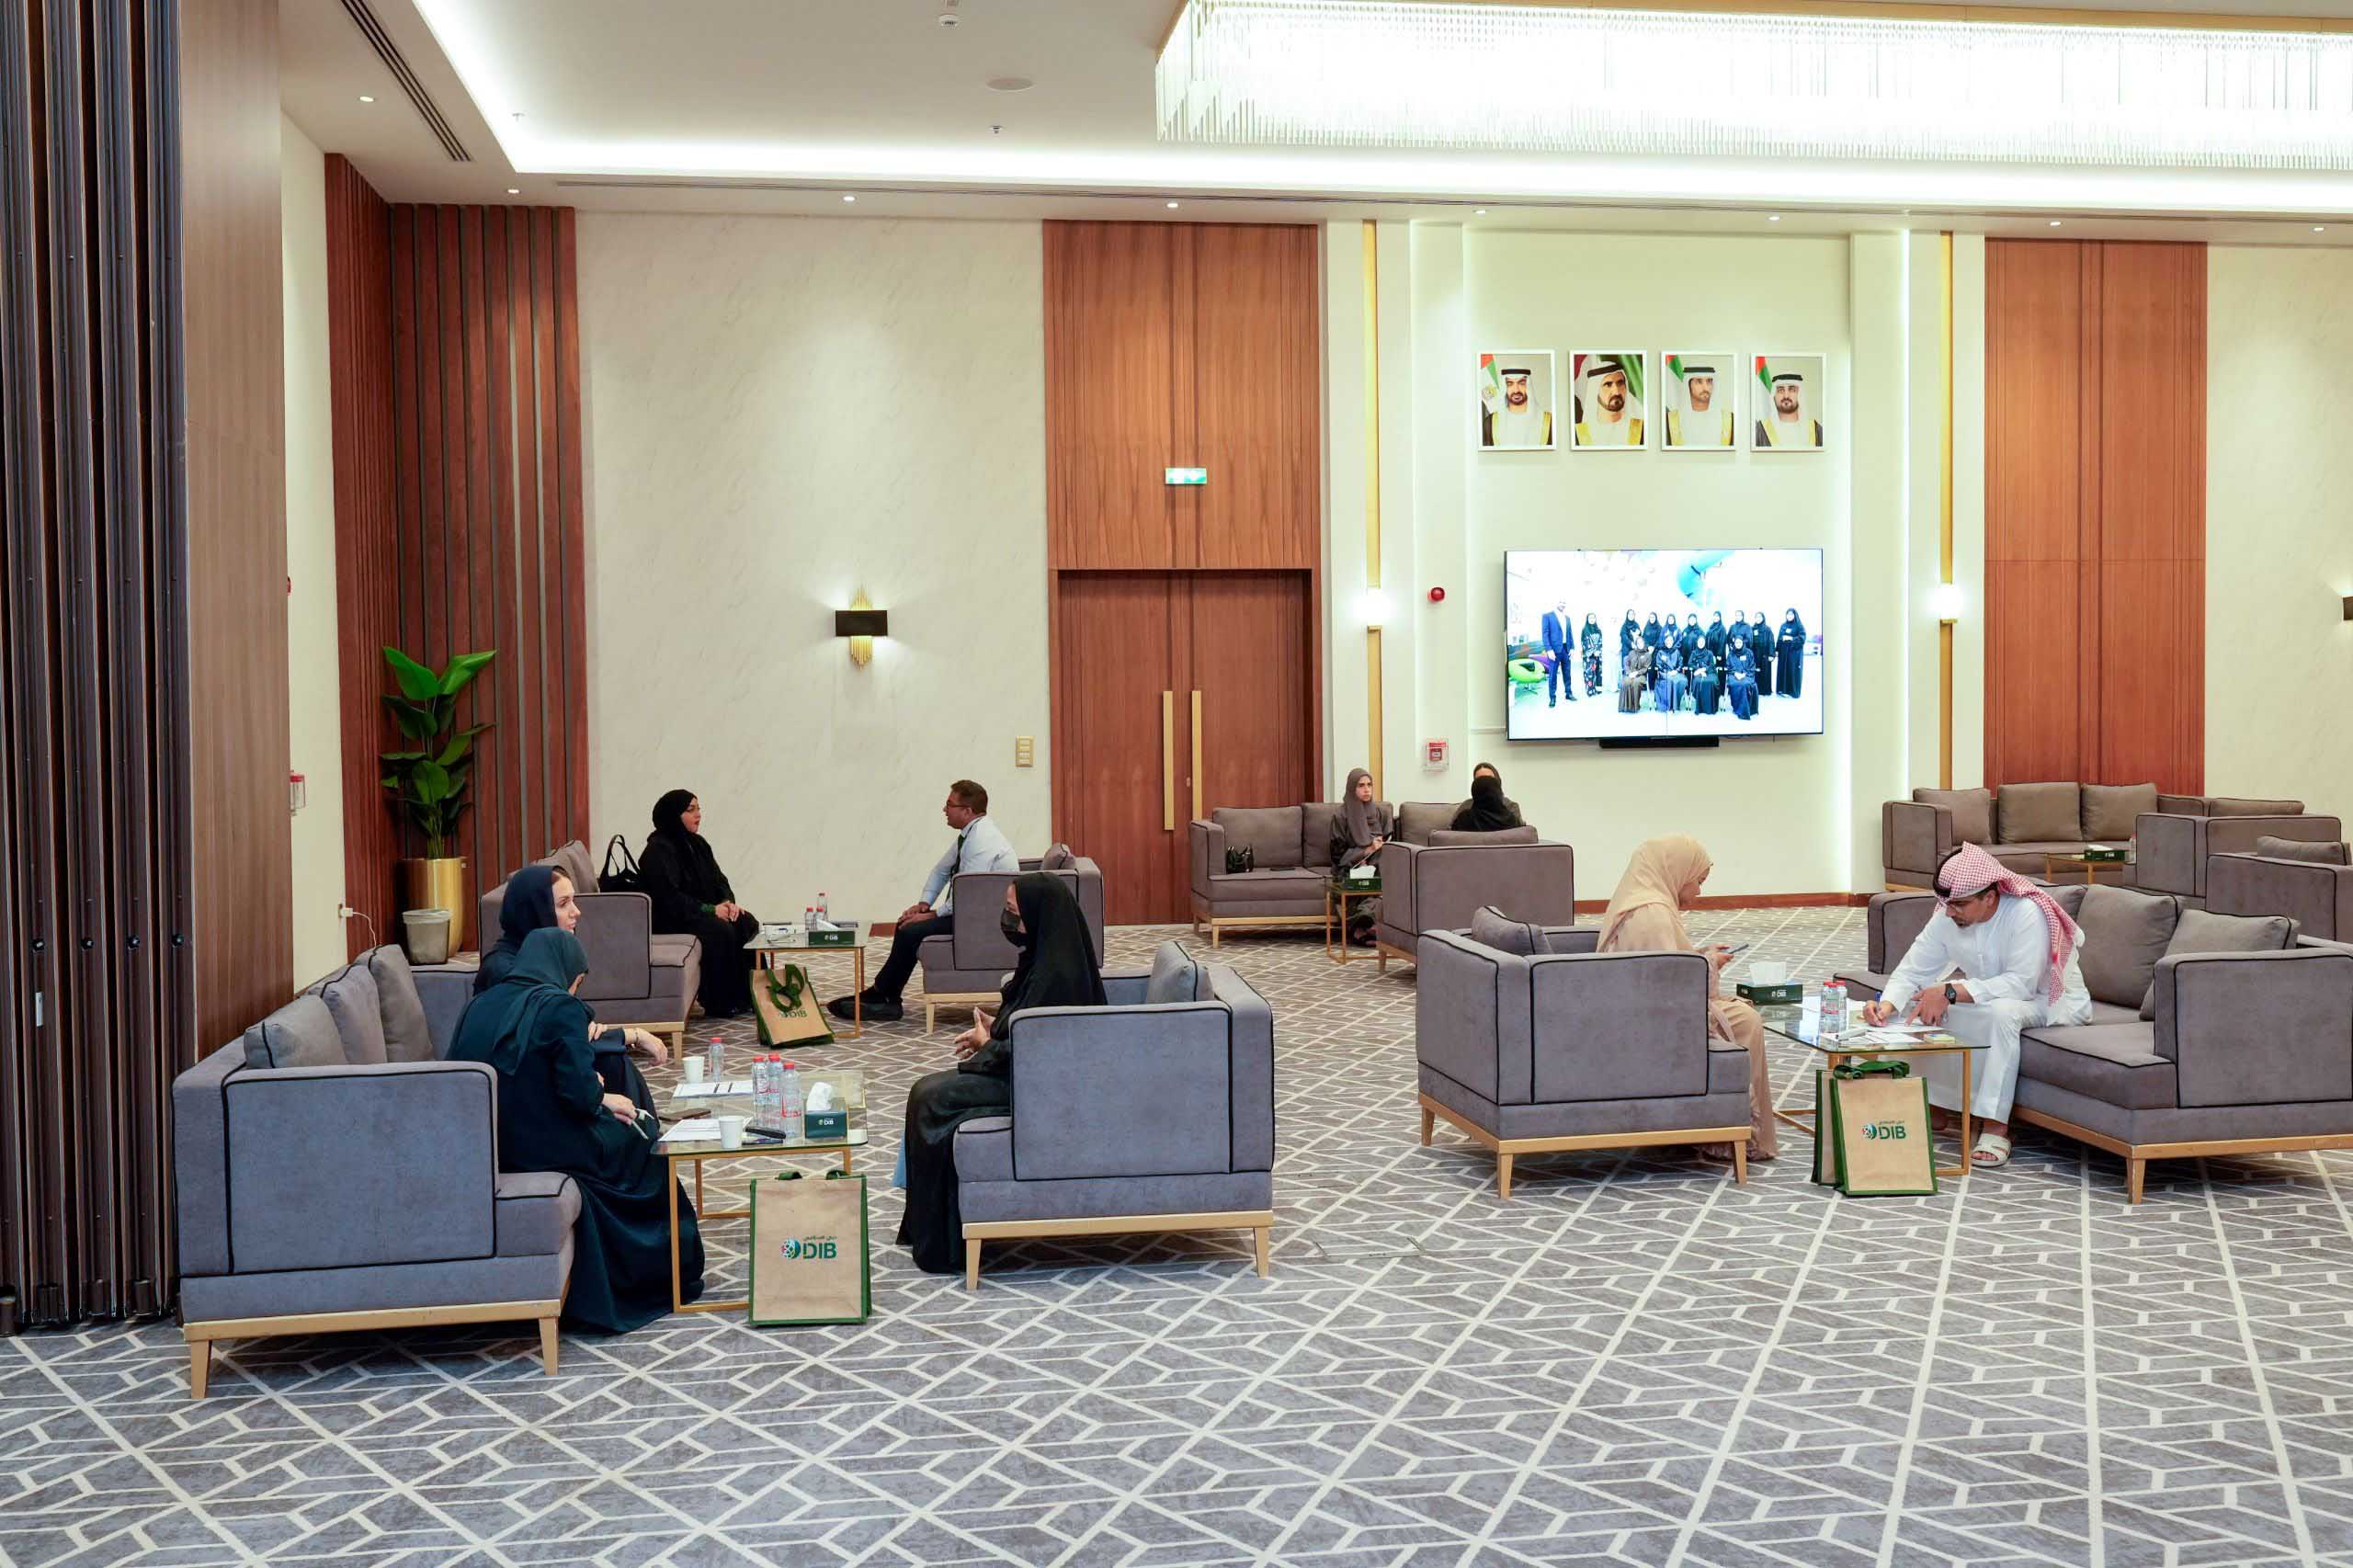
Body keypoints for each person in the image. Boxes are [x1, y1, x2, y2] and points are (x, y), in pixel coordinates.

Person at [449, 928, 705, 1331]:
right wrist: (602, 1096)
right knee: (643, 1139)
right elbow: (578, 1095)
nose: (574, 989)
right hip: (546, 1145)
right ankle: (664, 1271)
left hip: (490, 1143)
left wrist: (596, 1094)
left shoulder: (478, 1005)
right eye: (578, 981)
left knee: (621, 1121)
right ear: (566, 971)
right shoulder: (559, 1007)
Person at [900, 875, 1107, 1272]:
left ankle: (941, 1244)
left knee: (931, 1098)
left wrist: (988, 1044)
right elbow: (1027, 1026)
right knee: (925, 1091)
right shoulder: (1043, 955)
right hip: (1024, 1073)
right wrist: (995, 1028)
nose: (1007, 920)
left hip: (1041, 1088)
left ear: (1038, 915)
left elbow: (1040, 1049)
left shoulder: (1059, 973)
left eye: (1013, 911)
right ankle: (928, 1230)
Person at [1862, 844, 2091, 1168]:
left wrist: (1950, 991)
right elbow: (1914, 969)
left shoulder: (2026, 914)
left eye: (1959, 904)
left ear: (1990, 897)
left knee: (2000, 1014)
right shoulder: (1949, 916)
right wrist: (1885, 1006)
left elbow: (2021, 985)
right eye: (1947, 904)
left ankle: (1996, 1127)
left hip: (2053, 1002)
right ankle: (1933, 1106)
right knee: (1920, 1005)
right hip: (1990, 997)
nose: (1950, 912)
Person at [1596, 837, 1778, 1163]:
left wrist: (1703, 955)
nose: (1699, 891)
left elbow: (1666, 966)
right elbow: (1668, 985)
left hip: (1642, 1008)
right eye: (1698, 881)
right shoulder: (1651, 913)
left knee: (1739, 1011)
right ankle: (1728, 1132)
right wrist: (1709, 963)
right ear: (1677, 873)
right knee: (1746, 1020)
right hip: (1650, 1019)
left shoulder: (1644, 903)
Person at [831, 779, 1018, 1024]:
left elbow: (968, 893)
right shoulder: (970, 834)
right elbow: (941, 870)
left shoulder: (982, 840)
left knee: (910, 930)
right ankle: (883, 993)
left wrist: (931, 915)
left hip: (984, 921)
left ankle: (886, 998)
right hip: (970, 914)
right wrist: (923, 904)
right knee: (907, 924)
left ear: (967, 811)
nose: (944, 809)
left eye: (949, 804)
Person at [476, 864, 664, 1104]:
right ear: (536, 910)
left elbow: (570, 1033)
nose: (576, 912)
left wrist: (591, 1029)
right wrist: (632, 1035)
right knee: (609, 1059)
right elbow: (554, 1038)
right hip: (521, 1087)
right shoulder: (504, 970)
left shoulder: (545, 957)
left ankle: (638, 1121)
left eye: (573, 901)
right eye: (563, 904)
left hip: (549, 1067)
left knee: (610, 1057)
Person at [640, 790, 758, 1018]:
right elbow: (669, 898)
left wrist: (727, 903)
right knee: (720, 931)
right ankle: (721, 1002)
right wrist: (711, 910)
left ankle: (751, 994)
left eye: (698, 808)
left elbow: (719, 880)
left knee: (746, 922)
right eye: (690, 810)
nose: (698, 814)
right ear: (674, 815)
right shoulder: (658, 850)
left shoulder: (698, 844)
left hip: (698, 912)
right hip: (673, 918)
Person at [1331, 767, 1392, 871]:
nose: (1367, 789)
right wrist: (1367, 850)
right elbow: (1337, 856)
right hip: (1350, 866)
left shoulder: (1381, 813)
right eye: (1361, 785)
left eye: (1369, 785)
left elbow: (1390, 844)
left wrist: (1380, 845)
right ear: (1352, 788)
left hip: (1380, 863)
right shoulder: (1341, 815)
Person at [1574, 357, 1643, 448]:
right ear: (1595, 391)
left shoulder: (1640, 430)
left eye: (1620, 383)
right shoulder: (1581, 435)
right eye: (1608, 384)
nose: (1616, 392)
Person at [1666, 361, 1734, 448]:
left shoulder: (1729, 419)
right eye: (1699, 381)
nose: (1706, 388)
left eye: (1709, 381)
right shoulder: (1670, 420)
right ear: (1688, 385)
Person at [1482, 365, 1552, 448]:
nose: (1516, 390)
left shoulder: (1548, 422)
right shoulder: (1490, 423)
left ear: (1528, 386)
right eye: (1510, 384)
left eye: (1521, 383)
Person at [1756, 370, 1824, 449]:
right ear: (1774, 395)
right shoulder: (1760, 430)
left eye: (1792, 390)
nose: (1786, 396)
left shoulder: (1816, 430)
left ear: (1800, 395)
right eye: (1781, 390)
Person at [1452, 763, 1524, 833]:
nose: (1485, 782)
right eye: (1480, 779)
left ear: (1498, 781)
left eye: (1489, 778)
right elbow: (1451, 832)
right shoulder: (1466, 806)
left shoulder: (1511, 806)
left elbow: (1519, 833)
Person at [1540, 601, 1575, 707]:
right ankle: (1552, 697)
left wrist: (1572, 648)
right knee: (1553, 675)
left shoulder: (1567, 618)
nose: (1562, 604)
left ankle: (1568, 693)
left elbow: (1570, 634)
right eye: (1560, 602)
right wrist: (1548, 649)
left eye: (1564, 602)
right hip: (1554, 651)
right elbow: (1545, 634)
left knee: (1567, 673)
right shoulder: (1547, 616)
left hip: (1566, 649)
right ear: (1556, 603)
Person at [1775, 608, 1807, 699]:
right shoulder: (1783, 625)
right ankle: (1782, 690)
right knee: (1783, 670)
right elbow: (1779, 638)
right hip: (1783, 653)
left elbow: (1802, 638)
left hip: (1794, 654)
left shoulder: (1799, 626)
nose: (1789, 616)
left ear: (1795, 615)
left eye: (1791, 614)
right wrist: (1776, 650)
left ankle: (1792, 692)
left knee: (1792, 671)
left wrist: (1791, 638)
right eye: (1788, 614)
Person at [1725, 633, 1758, 721]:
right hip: (1734, 675)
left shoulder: (1749, 653)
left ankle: (1750, 708)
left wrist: (1744, 674)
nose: (1738, 644)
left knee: (1748, 684)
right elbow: (1729, 667)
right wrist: (1736, 673)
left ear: (1743, 643)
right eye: (1736, 643)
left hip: (1747, 675)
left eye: (1740, 642)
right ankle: (1739, 709)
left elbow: (1752, 666)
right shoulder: (1731, 654)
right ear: (1734, 643)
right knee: (1739, 685)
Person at [1652, 639, 1688, 713]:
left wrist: (1676, 671)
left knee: (1682, 680)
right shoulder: (1661, 652)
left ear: (1673, 642)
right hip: (1664, 673)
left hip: (1675, 672)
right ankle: (1668, 706)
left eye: (1670, 641)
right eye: (1667, 641)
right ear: (1665, 642)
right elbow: (1659, 665)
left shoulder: (1676, 651)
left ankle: (1675, 705)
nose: (1669, 643)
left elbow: (1680, 663)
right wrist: (1667, 672)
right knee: (1670, 681)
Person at [1618, 638, 1652, 713]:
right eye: (1638, 643)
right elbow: (1627, 664)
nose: (1640, 644)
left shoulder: (1647, 655)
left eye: (1641, 642)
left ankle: (1634, 707)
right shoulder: (1631, 653)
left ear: (1644, 643)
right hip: (1631, 674)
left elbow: (1645, 668)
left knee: (1636, 682)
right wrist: (1629, 673)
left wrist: (1637, 673)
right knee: (1625, 681)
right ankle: (1625, 707)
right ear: (1636, 644)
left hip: (1641, 676)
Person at [1688, 642, 1722, 715]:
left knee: (1711, 682)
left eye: (1702, 642)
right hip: (1698, 672)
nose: (1701, 643)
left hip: (1710, 672)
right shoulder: (1694, 653)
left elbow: (1712, 664)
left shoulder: (1709, 653)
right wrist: (1699, 670)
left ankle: (1711, 707)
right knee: (1698, 681)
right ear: (1697, 642)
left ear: (1705, 643)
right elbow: (1690, 663)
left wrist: (1704, 669)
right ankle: (1699, 707)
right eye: (1699, 641)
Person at [1748, 612, 1776, 698]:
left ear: (1763, 618)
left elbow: (1771, 642)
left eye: (1759, 617)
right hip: (1755, 653)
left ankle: (1765, 690)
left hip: (1765, 654)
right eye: (1756, 617)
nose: (1758, 618)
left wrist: (1772, 654)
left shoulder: (1768, 629)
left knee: (1765, 672)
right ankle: (1756, 690)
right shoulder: (1753, 628)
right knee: (1755, 671)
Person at [1579, 613, 1605, 699]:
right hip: (1589, 656)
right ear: (1587, 619)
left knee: (1598, 672)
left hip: (1598, 655)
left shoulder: (1598, 630)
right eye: (1590, 618)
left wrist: (1598, 650)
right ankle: (1590, 690)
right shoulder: (1585, 630)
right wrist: (1593, 652)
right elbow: (1585, 643)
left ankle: (1598, 689)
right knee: (1589, 673)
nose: (1592, 619)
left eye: (1593, 618)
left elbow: (1601, 642)